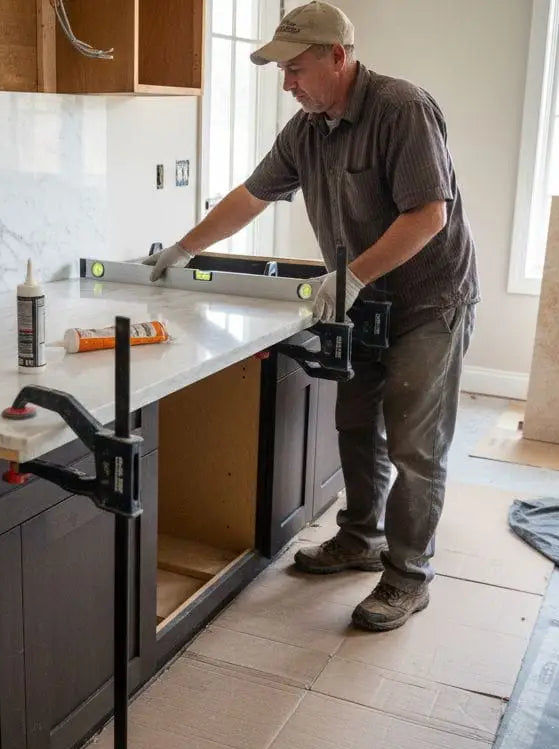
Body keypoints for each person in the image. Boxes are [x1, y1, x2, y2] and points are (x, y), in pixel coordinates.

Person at [143, 0, 478, 631]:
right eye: (281, 72)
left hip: (429, 302)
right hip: (362, 304)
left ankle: (408, 577)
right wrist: (186, 248)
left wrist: (351, 276)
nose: (288, 84)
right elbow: (251, 195)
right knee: (355, 424)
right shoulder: (306, 130)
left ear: (338, 56)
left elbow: (428, 215)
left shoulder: (401, 109)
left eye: (296, 69)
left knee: (415, 446)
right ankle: (359, 539)